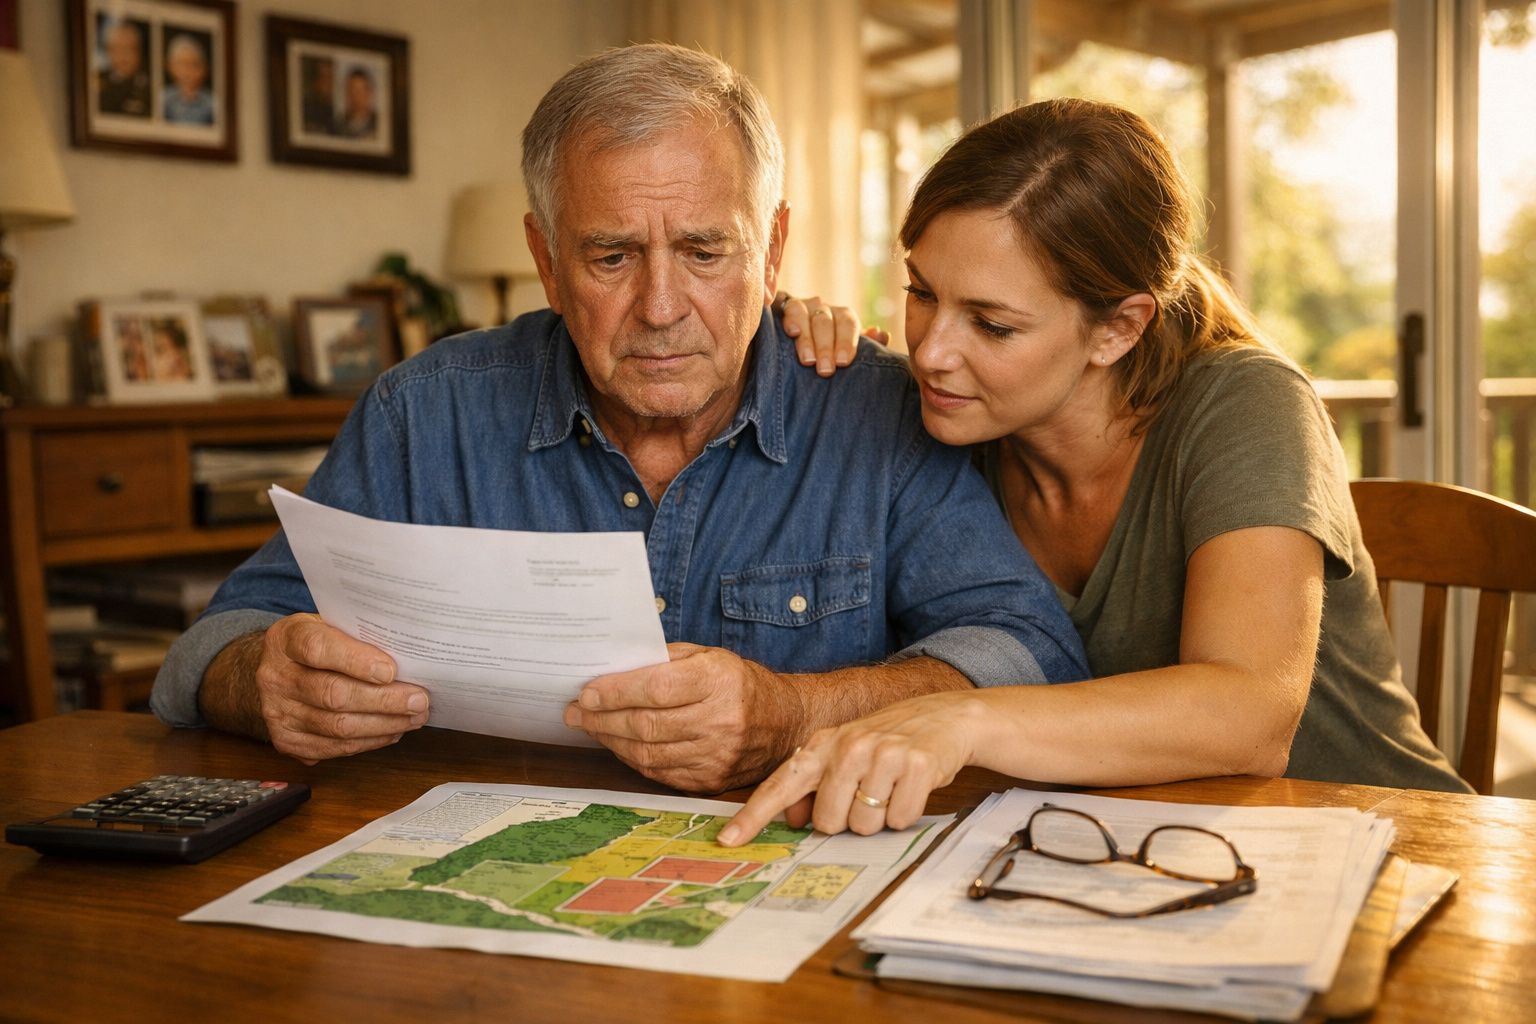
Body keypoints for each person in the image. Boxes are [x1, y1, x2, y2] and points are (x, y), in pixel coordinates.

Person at [150, 44, 1087, 795]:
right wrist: (264, 681)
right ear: (546, 261)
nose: (661, 308)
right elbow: (207, 650)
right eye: (611, 257)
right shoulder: (423, 414)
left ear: (772, 250)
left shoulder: (877, 412)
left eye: (705, 252)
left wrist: (800, 712)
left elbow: (1029, 649)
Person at [720, 97, 1467, 846]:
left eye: (992, 324)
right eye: (922, 293)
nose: (932, 351)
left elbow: (1251, 716)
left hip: (1390, 843)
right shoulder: (947, 421)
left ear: (1119, 328)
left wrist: (963, 718)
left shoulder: (1248, 404)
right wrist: (780, 333)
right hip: (1135, 851)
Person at [97, 19, 150, 118]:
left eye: (129, 48)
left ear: (139, 52)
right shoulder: (97, 80)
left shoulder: (150, 86)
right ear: (109, 51)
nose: (123, 56)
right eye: (118, 48)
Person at [163, 33, 214, 125]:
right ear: (170, 66)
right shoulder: (163, 99)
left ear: (204, 69)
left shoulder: (212, 104)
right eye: (182, 64)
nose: (187, 71)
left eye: (194, 64)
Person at [339, 67, 378, 138]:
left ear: (369, 93)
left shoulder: (378, 123)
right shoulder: (339, 124)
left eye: (359, 91)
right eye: (351, 90)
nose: (355, 97)